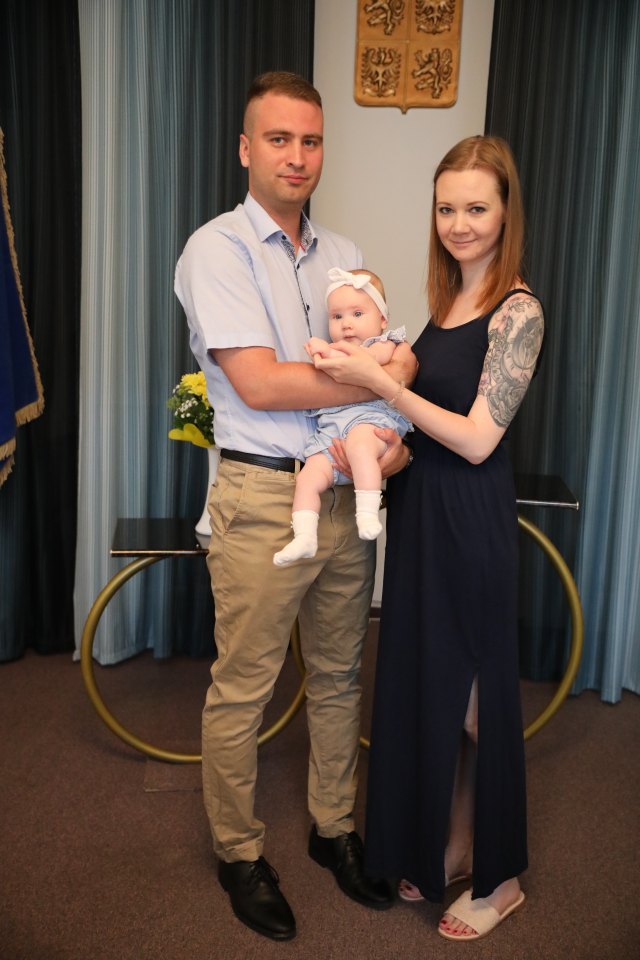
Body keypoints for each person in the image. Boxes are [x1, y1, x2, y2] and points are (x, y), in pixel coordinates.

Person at [174, 71, 416, 942]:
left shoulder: (343, 250)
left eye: (311, 140)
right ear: (247, 149)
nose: (297, 155)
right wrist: (378, 381)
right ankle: (239, 853)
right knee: (244, 686)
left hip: (345, 491)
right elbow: (263, 383)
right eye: (279, 139)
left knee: (342, 674)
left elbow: (391, 355)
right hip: (262, 494)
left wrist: (387, 396)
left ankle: (332, 830)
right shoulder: (216, 249)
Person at [313, 135, 544, 942]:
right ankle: (453, 845)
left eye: (477, 207)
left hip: (470, 519)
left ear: (506, 212)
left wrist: (379, 383)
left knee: (477, 705)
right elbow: (421, 426)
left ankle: (502, 879)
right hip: (420, 516)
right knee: (429, 686)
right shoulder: (444, 303)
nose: (460, 223)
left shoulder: (518, 310)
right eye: (447, 208)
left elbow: (477, 439)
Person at [273, 266, 413, 566]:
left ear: (383, 319)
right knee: (309, 477)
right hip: (332, 433)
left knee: (361, 446)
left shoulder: (385, 344)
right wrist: (323, 352)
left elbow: (364, 363)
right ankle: (304, 537)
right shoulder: (336, 348)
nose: (347, 324)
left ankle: (366, 513)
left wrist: (326, 352)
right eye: (337, 317)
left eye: (357, 314)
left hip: (369, 422)